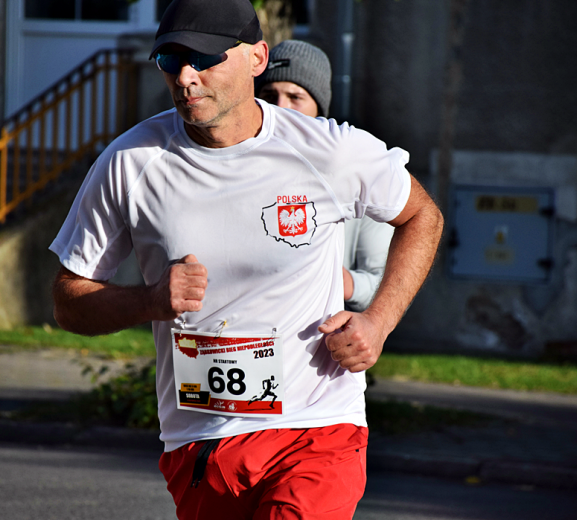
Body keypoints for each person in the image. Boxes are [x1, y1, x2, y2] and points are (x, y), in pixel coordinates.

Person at [50, 0, 443, 518]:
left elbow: (422, 217)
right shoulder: (131, 162)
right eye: (171, 59)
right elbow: (68, 302)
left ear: (257, 58)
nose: (187, 76)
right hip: (201, 443)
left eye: (205, 57)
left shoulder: (327, 150)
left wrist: (379, 322)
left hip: (317, 427)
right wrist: (148, 300)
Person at [256, 39, 395, 311]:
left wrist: (341, 281)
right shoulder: (236, 169)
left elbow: (382, 284)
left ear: (320, 110)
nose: (280, 108)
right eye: (270, 97)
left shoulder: (356, 174)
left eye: (295, 97)